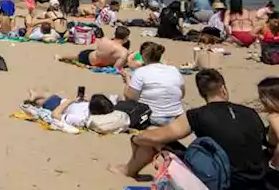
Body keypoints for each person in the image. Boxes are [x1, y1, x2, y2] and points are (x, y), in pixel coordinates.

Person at [111, 69, 270, 187]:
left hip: (220, 179)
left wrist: (136, 138)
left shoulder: (198, 114)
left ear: (202, 94)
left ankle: (128, 171)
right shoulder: (250, 113)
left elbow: (160, 137)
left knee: (152, 136)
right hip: (256, 179)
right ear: (223, 89)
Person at [122, 42, 185, 126]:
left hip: (153, 116)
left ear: (143, 56)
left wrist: (127, 80)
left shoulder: (140, 72)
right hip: (177, 116)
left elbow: (130, 97)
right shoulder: (173, 70)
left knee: (122, 104)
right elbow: (182, 94)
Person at [23, 90, 128, 133]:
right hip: (65, 102)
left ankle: (35, 97)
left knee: (46, 99)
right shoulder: (100, 110)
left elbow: (55, 114)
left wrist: (71, 101)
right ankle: (36, 95)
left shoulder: (81, 119)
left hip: (58, 105)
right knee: (49, 96)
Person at [61, 26, 132, 69]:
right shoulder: (124, 52)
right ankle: (61, 57)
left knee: (77, 56)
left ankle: (61, 57)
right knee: (77, 57)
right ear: (126, 38)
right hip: (98, 63)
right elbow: (116, 68)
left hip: (89, 58)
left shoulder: (104, 39)